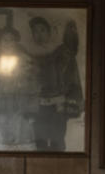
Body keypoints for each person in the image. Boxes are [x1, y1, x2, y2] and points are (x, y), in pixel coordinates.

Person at [27, 16, 84, 151]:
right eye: (35, 31)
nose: (39, 35)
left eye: (42, 30)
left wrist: (70, 99)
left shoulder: (62, 53)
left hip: (58, 104)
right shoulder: (29, 56)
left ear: (49, 32)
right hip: (38, 105)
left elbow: (71, 77)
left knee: (57, 140)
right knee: (39, 140)